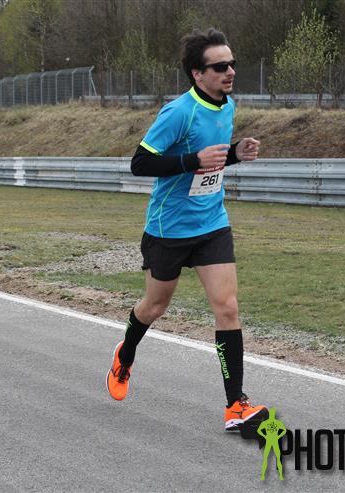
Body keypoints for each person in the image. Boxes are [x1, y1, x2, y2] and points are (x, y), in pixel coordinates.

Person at [106, 28, 267, 432]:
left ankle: (236, 406)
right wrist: (191, 160)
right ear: (198, 74)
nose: (230, 71)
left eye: (232, 63)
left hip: (212, 223)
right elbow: (140, 164)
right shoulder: (178, 112)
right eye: (220, 66)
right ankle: (125, 355)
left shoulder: (227, 106)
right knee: (154, 306)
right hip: (169, 229)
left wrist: (234, 154)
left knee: (227, 308)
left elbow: (212, 161)